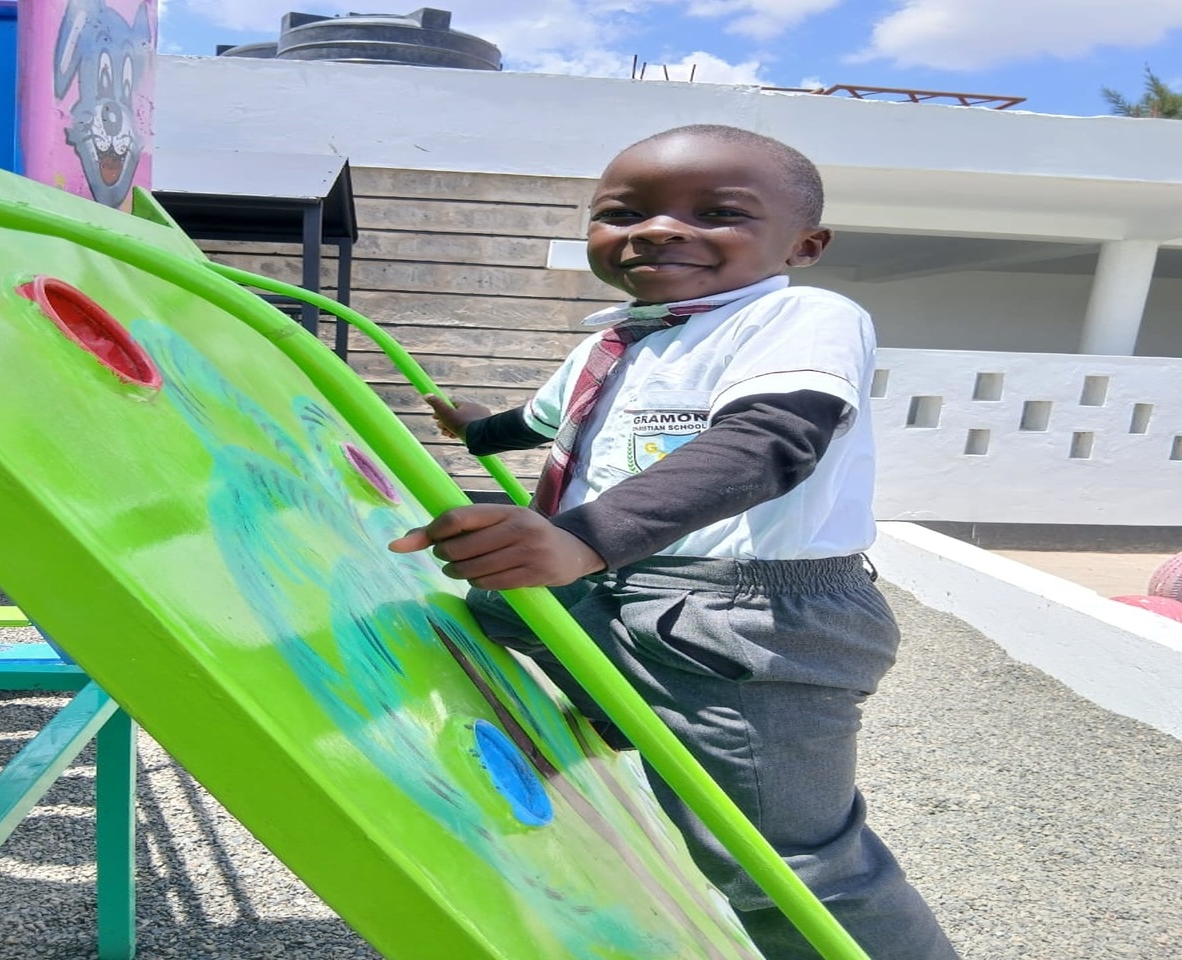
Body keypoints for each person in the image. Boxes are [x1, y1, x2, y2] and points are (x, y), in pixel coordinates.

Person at [389, 124, 960, 959]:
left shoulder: (796, 316)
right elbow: (545, 422)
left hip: (745, 614)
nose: (656, 230)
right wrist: (478, 431)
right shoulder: (613, 340)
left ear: (803, 245)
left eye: (718, 213)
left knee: (780, 861)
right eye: (624, 213)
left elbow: (772, 437)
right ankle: (607, 721)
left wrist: (588, 538)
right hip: (616, 582)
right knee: (483, 615)